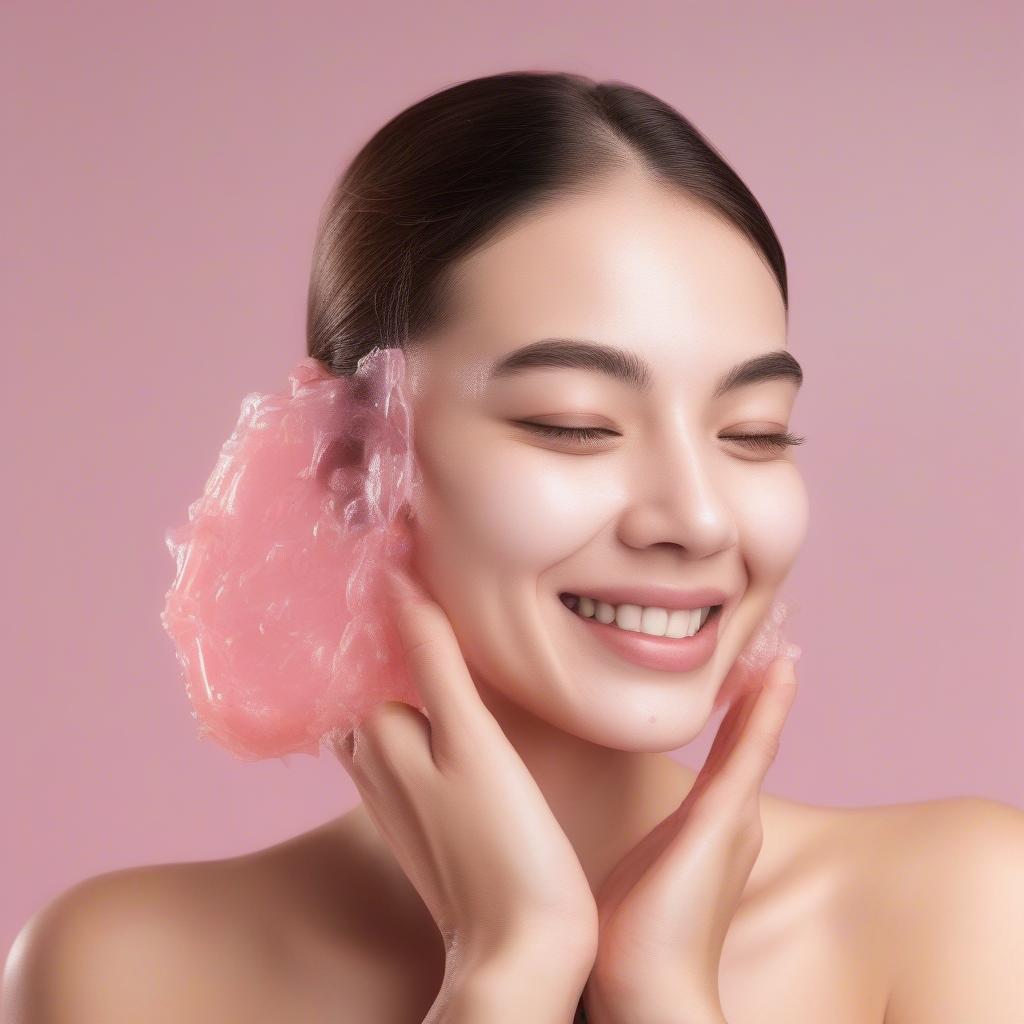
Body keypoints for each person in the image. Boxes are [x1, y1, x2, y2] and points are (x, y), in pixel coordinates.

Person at [4, 70, 1022, 1024]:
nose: (701, 518)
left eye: (752, 432)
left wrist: (664, 994)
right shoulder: (130, 970)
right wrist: (505, 972)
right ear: (355, 455)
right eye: (574, 422)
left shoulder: (961, 911)